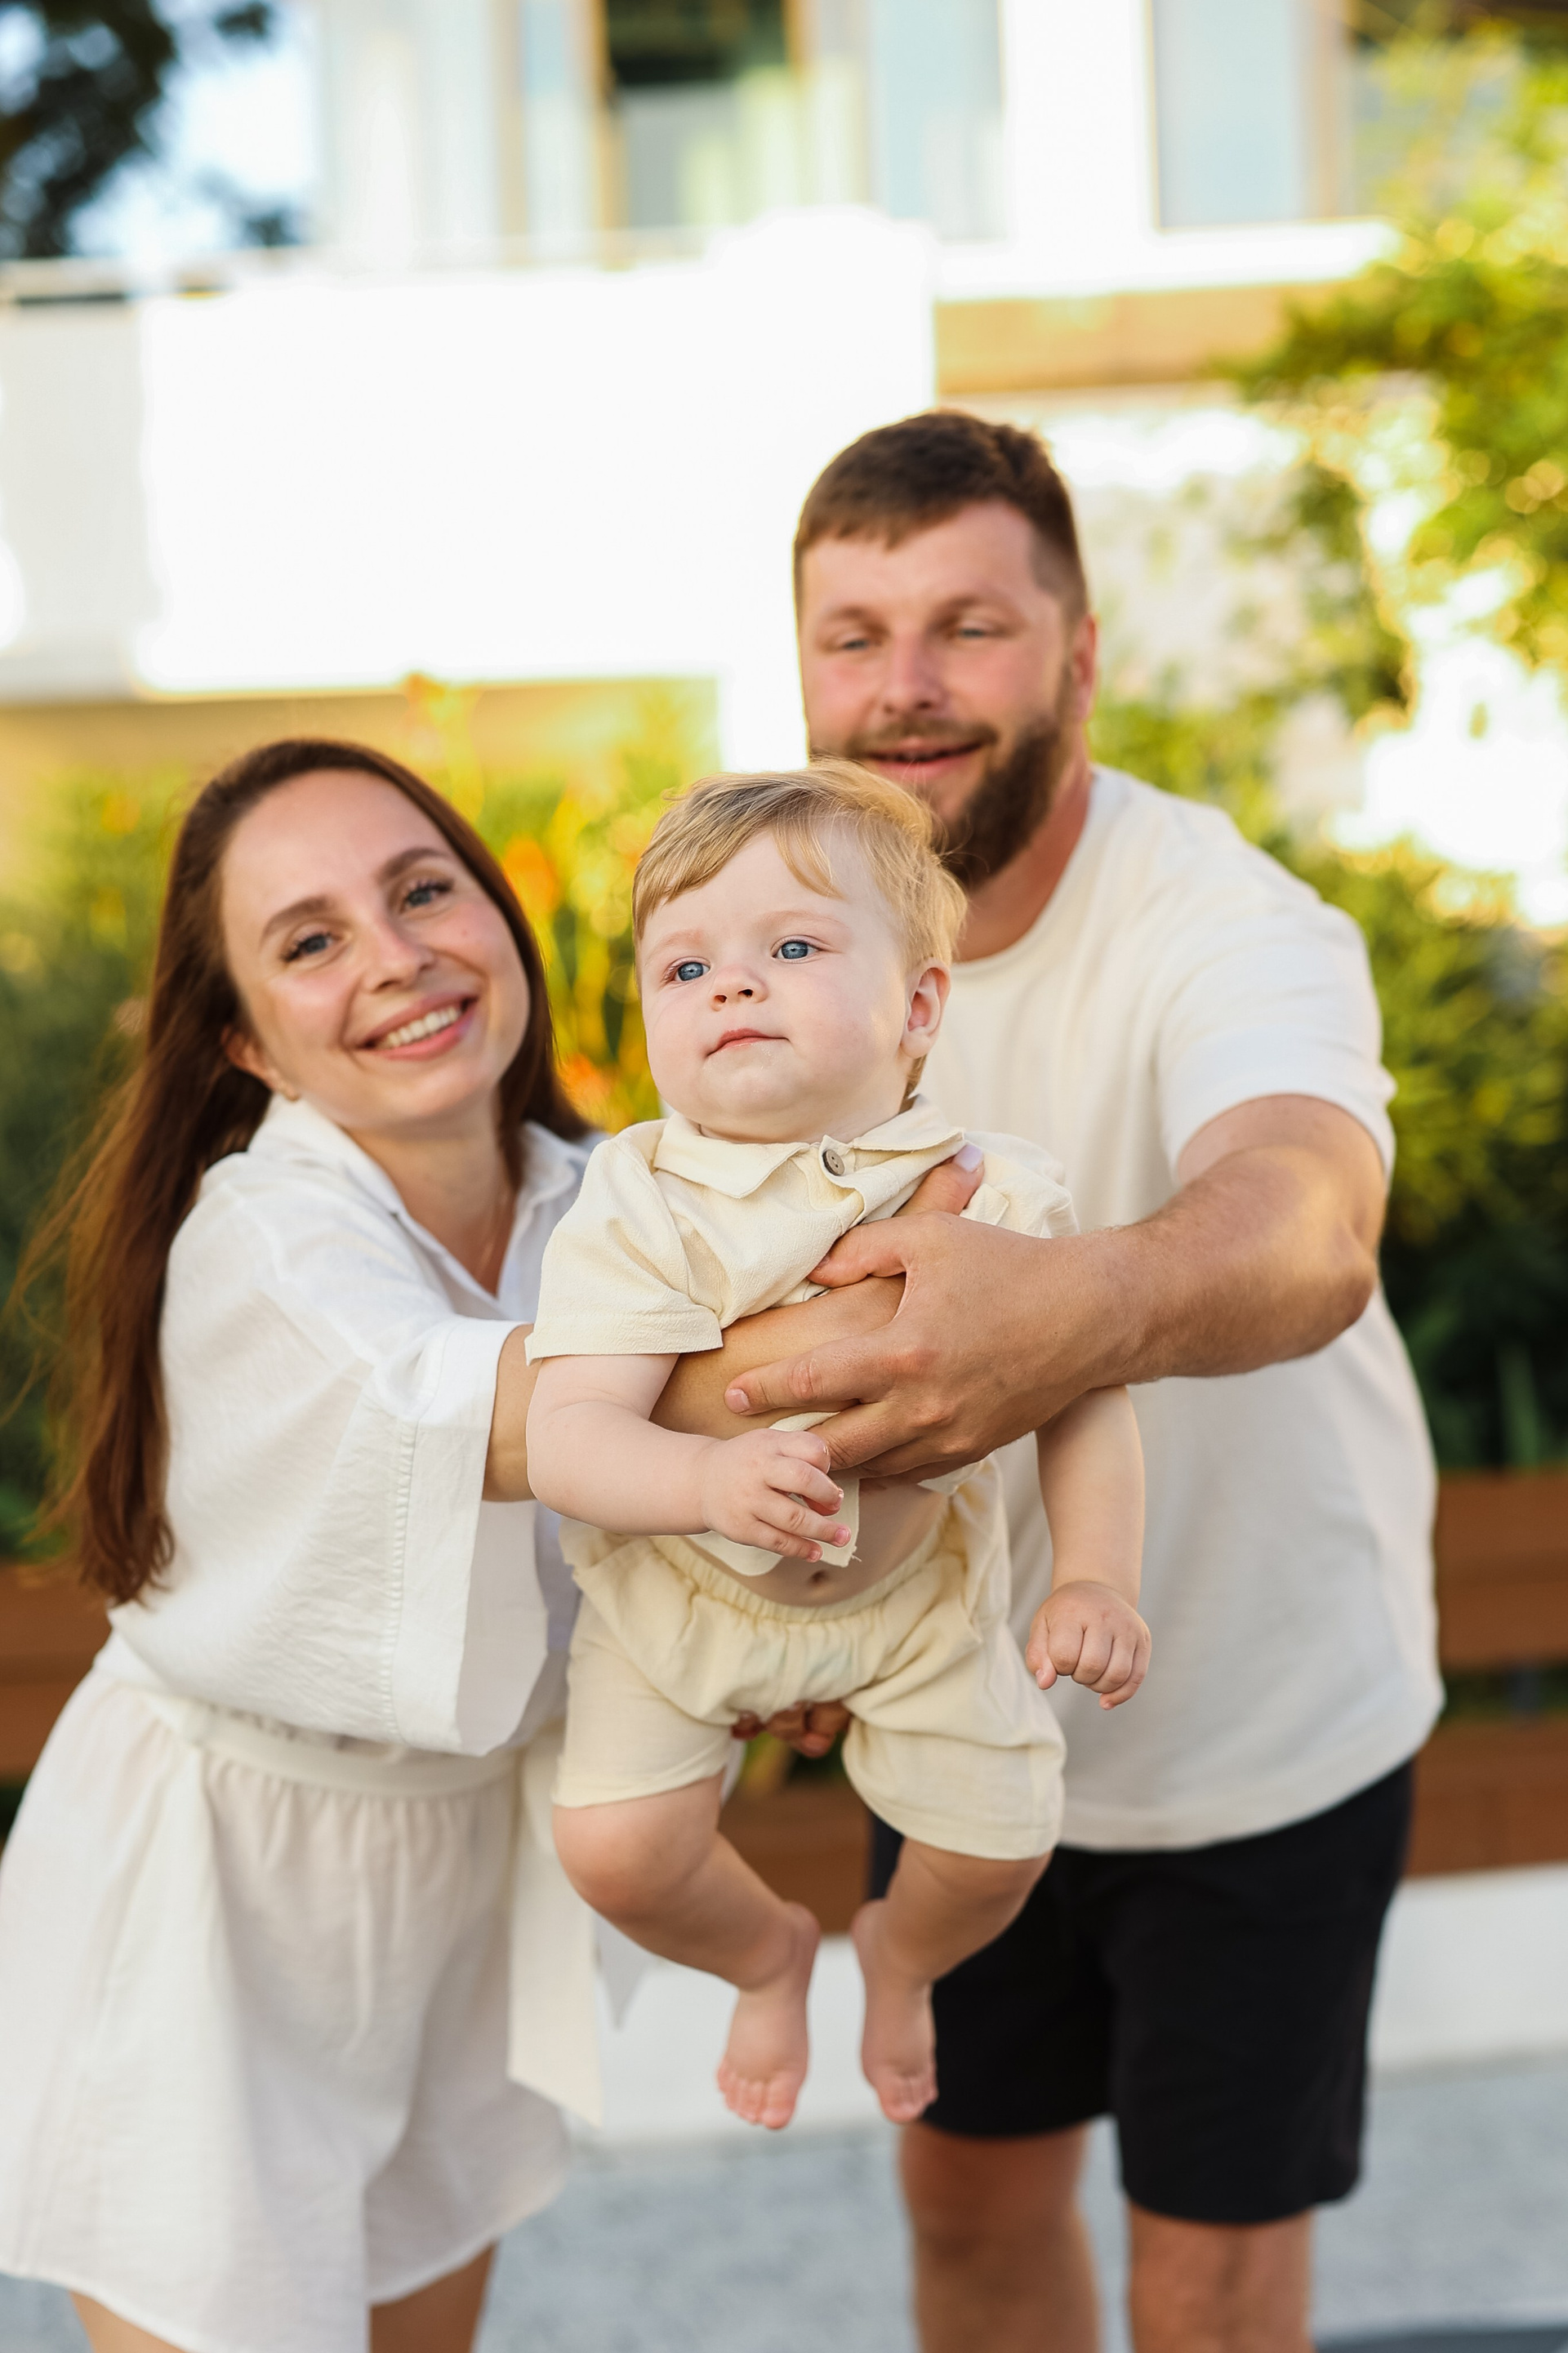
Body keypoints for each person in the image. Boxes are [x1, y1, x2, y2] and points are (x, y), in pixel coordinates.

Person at [0, 737, 974, 2353]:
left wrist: (798, 1643)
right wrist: (946, 1301)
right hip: (220, 1892)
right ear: (244, 1038)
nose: (395, 957)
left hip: (465, 1870)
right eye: (311, 940)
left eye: (422, 891)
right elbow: (505, 1414)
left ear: (499, 919)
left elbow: (693, 1524)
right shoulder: (263, 1239)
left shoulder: (617, 1200)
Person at [709, 414, 1442, 2353]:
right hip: (964, 1728)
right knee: (964, 2220)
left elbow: (1309, 1223)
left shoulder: (1226, 920)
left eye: (970, 626)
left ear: (1081, 655)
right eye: (855, 635)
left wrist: (1068, 1311)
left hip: (1259, 1734)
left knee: (1208, 2295)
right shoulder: (787, 951)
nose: (907, 685)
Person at [524, 764, 1149, 2132]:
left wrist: (1095, 1573)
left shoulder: (995, 1191)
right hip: (683, 1595)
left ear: (918, 1006)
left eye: (794, 947)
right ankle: (765, 1954)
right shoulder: (643, 1198)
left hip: (914, 1600)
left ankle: (900, 1956)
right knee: (615, 1850)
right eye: (686, 966)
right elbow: (566, 1434)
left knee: (998, 1846)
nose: (733, 987)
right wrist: (703, 1478)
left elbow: (1087, 1392)